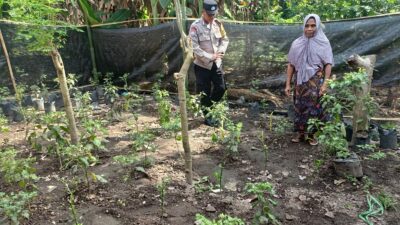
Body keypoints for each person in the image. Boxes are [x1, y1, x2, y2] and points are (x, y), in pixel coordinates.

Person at [285, 14, 333, 145]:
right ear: (303, 27)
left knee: (314, 108)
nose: (309, 29)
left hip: (315, 81)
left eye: (313, 26)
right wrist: (288, 84)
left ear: (317, 26)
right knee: (299, 107)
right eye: (307, 26)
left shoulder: (324, 42)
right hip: (299, 82)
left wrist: (325, 85)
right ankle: (300, 134)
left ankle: (312, 136)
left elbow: (328, 64)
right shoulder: (297, 43)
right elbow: (291, 65)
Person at [189, 0, 229, 127]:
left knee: (221, 88)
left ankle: (209, 107)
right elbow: (194, 47)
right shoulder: (195, 26)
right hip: (202, 66)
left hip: (216, 63)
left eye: (214, 14)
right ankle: (208, 116)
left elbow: (225, 39)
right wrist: (210, 56)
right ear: (203, 12)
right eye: (209, 14)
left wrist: (221, 51)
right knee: (204, 92)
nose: (212, 17)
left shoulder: (218, 24)